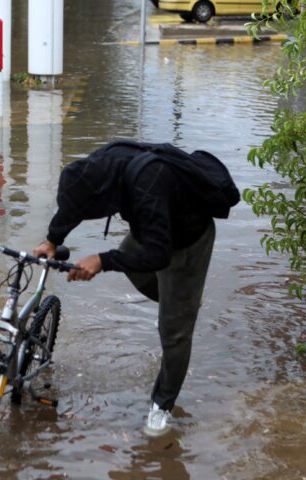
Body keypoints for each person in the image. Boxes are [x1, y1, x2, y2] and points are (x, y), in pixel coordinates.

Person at [33, 140, 238, 436]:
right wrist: (52, 239)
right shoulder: (97, 168)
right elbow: (73, 206)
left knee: (175, 331)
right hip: (151, 227)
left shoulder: (146, 184)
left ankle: (162, 405)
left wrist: (102, 260)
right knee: (140, 271)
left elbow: (159, 255)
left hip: (186, 240)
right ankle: (181, 301)